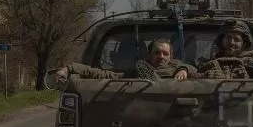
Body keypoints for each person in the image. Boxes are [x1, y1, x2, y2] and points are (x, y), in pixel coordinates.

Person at [57, 39, 195, 83]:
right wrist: (70, 68)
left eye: (165, 54)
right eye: (157, 52)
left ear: (171, 57)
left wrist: (184, 70)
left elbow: (198, 71)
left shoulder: (178, 66)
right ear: (149, 55)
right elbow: (104, 74)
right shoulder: (138, 71)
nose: (161, 56)